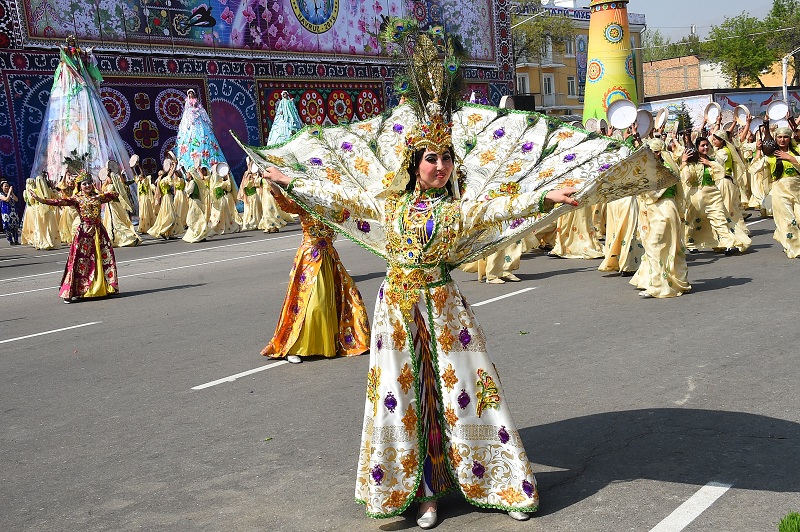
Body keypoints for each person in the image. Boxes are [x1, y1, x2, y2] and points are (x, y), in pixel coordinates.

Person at [246, 21, 671, 527]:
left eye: (447, 158)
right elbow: (339, 196)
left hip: (442, 308)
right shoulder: (389, 203)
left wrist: (542, 196)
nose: (441, 166)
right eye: (432, 158)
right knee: (406, 395)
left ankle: (492, 477)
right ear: (413, 162)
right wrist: (288, 177)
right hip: (396, 312)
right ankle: (423, 493)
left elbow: (495, 207)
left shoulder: (457, 209)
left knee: (461, 390)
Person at [260, 183, 371, 364]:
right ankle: (295, 347)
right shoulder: (304, 202)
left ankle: (326, 344)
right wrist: (274, 186)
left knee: (332, 302)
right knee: (311, 304)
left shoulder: (332, 206)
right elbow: (287, 205)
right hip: (310, 259)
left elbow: (350, 216)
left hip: (329, 258)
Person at [30, 35, 134, 190]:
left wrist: (88, 54)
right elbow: (65, 57)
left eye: (72, 43)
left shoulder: (78, 55)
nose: (71, 44)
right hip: (71, 86)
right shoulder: (66, 59)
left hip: (82, 89)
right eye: (70, 43)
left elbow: (87, 62)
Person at [30, 171, 119, 302]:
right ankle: (74, 291)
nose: (87, 185)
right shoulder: (77, 198)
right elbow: (58, 201)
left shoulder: (98, 197)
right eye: (84, 184)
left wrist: (108, 181)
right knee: (81, 262)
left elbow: (115, 194)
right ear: (79, 186)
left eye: (89, 183)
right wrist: (40, 199)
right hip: (84, 233)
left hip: (99, 232)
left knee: (102, 259)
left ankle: (104, 287)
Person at [630, 139, 690, 298]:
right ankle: (653, 280)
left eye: (651, 152)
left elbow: (653, 194)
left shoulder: (666, 170)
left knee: (655, 244)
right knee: (654, 246)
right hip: (653, 210)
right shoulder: (651, 168)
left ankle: (657, 286)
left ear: (658, 153)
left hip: (664, 209)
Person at [679, 137, 750, 254]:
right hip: (696, 196)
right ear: (697, 148)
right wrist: (684, 162)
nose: (706, 147)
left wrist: (709, 163)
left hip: (713, 194)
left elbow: (720, 173)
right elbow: (686, 178)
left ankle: (729, 244)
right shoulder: (692, 164)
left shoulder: (713, 160)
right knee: (694, 221)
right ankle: (691, 243)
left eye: (707, 145)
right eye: (702, 145)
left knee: (720, 218)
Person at [761, 126, 800, 258]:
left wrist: (789, 158)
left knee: (799, 219)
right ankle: (795, 248)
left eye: (785, 137)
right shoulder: (770, 155)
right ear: (775, 138)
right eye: (779, 137)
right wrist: (758, 151)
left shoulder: (797, 151)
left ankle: (784, 236)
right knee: (789, 221)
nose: (782, 140)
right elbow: (755, 169)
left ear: (790, 138)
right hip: (780, 191)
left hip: (797, 189)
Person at [174, 89, 227, 172]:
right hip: (191, 128)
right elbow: (185, 123)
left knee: (204, 143)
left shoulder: (199, 108)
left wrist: (196, 109)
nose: (191, 97)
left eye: (192, 95)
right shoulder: (187, 110)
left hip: (201, 127)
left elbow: (205, 118)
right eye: (189, 95)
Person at [101, 164, 141, 247]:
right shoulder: (106, 186)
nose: (107, 179)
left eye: (109, 177)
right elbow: (102, 192)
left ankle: (129, 237)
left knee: (116, 222)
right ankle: (114, 239)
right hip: (110, 207)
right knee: (112, 223)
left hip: (114, 205)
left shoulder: (115, 185)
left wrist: (115, 172)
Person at [0, 180, 21, 245]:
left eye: (7, 186)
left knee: (15, 226)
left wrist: (12, 193)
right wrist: (9, 192)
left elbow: (16, 199)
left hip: (13, 211)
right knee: (7, 226)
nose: (7, 187)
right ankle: (10, 240)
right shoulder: (1, 194)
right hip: (6, 212)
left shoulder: (11, 193)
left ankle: (16, 240)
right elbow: (6, 199)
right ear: (2, 187)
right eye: (5, 186)